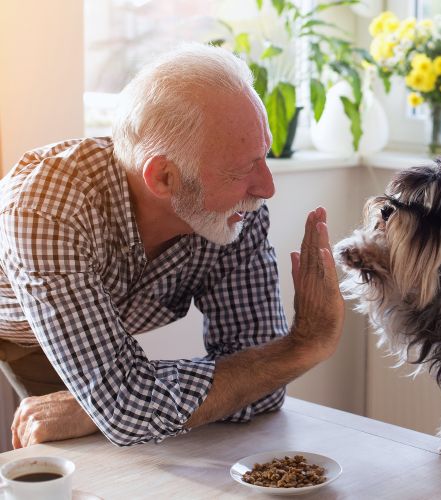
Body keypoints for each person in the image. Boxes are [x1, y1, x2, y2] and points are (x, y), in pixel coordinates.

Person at [0, 43, 344, 448]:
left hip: (89, 330)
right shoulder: (47, 209)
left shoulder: (235, 213)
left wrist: (116, 404)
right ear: (164, 178)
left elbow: (264, 387)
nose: (267, 187)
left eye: (263, 155)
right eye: (242, 168)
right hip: (14, 328)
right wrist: (306, 344)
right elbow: (129, 411)